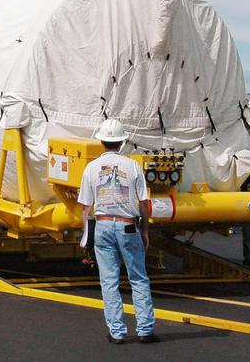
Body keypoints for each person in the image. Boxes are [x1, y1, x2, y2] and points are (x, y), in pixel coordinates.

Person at [77, 119, 157, 344]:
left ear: (101, 141)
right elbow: (143, 203)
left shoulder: (91, 168)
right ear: (122, 142)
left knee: (109, 281)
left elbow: (86, 208)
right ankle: (145, 330)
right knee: (138, 278)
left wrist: (87, 235)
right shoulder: (132, 166)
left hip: (102, 225)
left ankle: (117, 332)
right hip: (128, 225)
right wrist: (145, 230)